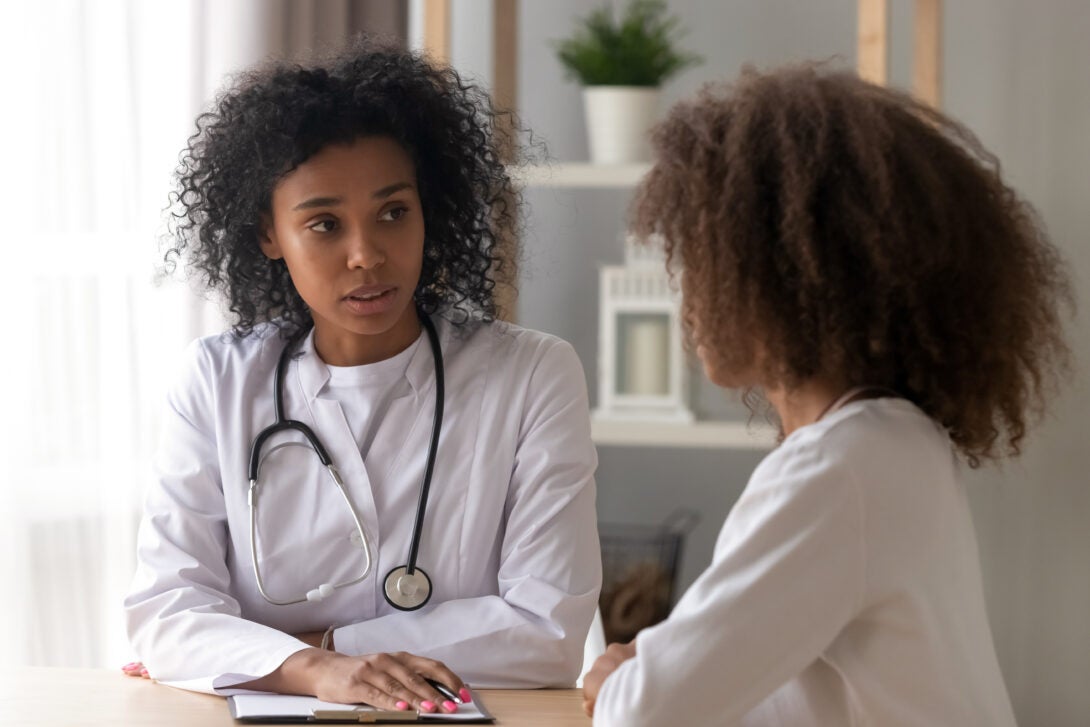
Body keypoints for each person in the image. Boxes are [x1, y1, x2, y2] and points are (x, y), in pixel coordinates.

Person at [583, 64, 1072, 725]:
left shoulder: (835, 472)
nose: (689, 298)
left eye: (709, 262)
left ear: (796, 277)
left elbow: (643, 714)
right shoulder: (898, 440)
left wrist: (623, 674)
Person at [122, 37, 601, 714]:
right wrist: (317, 667)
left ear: (429, 209)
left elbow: (548, 633)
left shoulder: (532, 375)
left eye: (393, 212)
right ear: (268, 234)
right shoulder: (216, 383)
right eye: (324, 223)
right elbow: (166, 615)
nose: (366, 254)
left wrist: (310, 650)